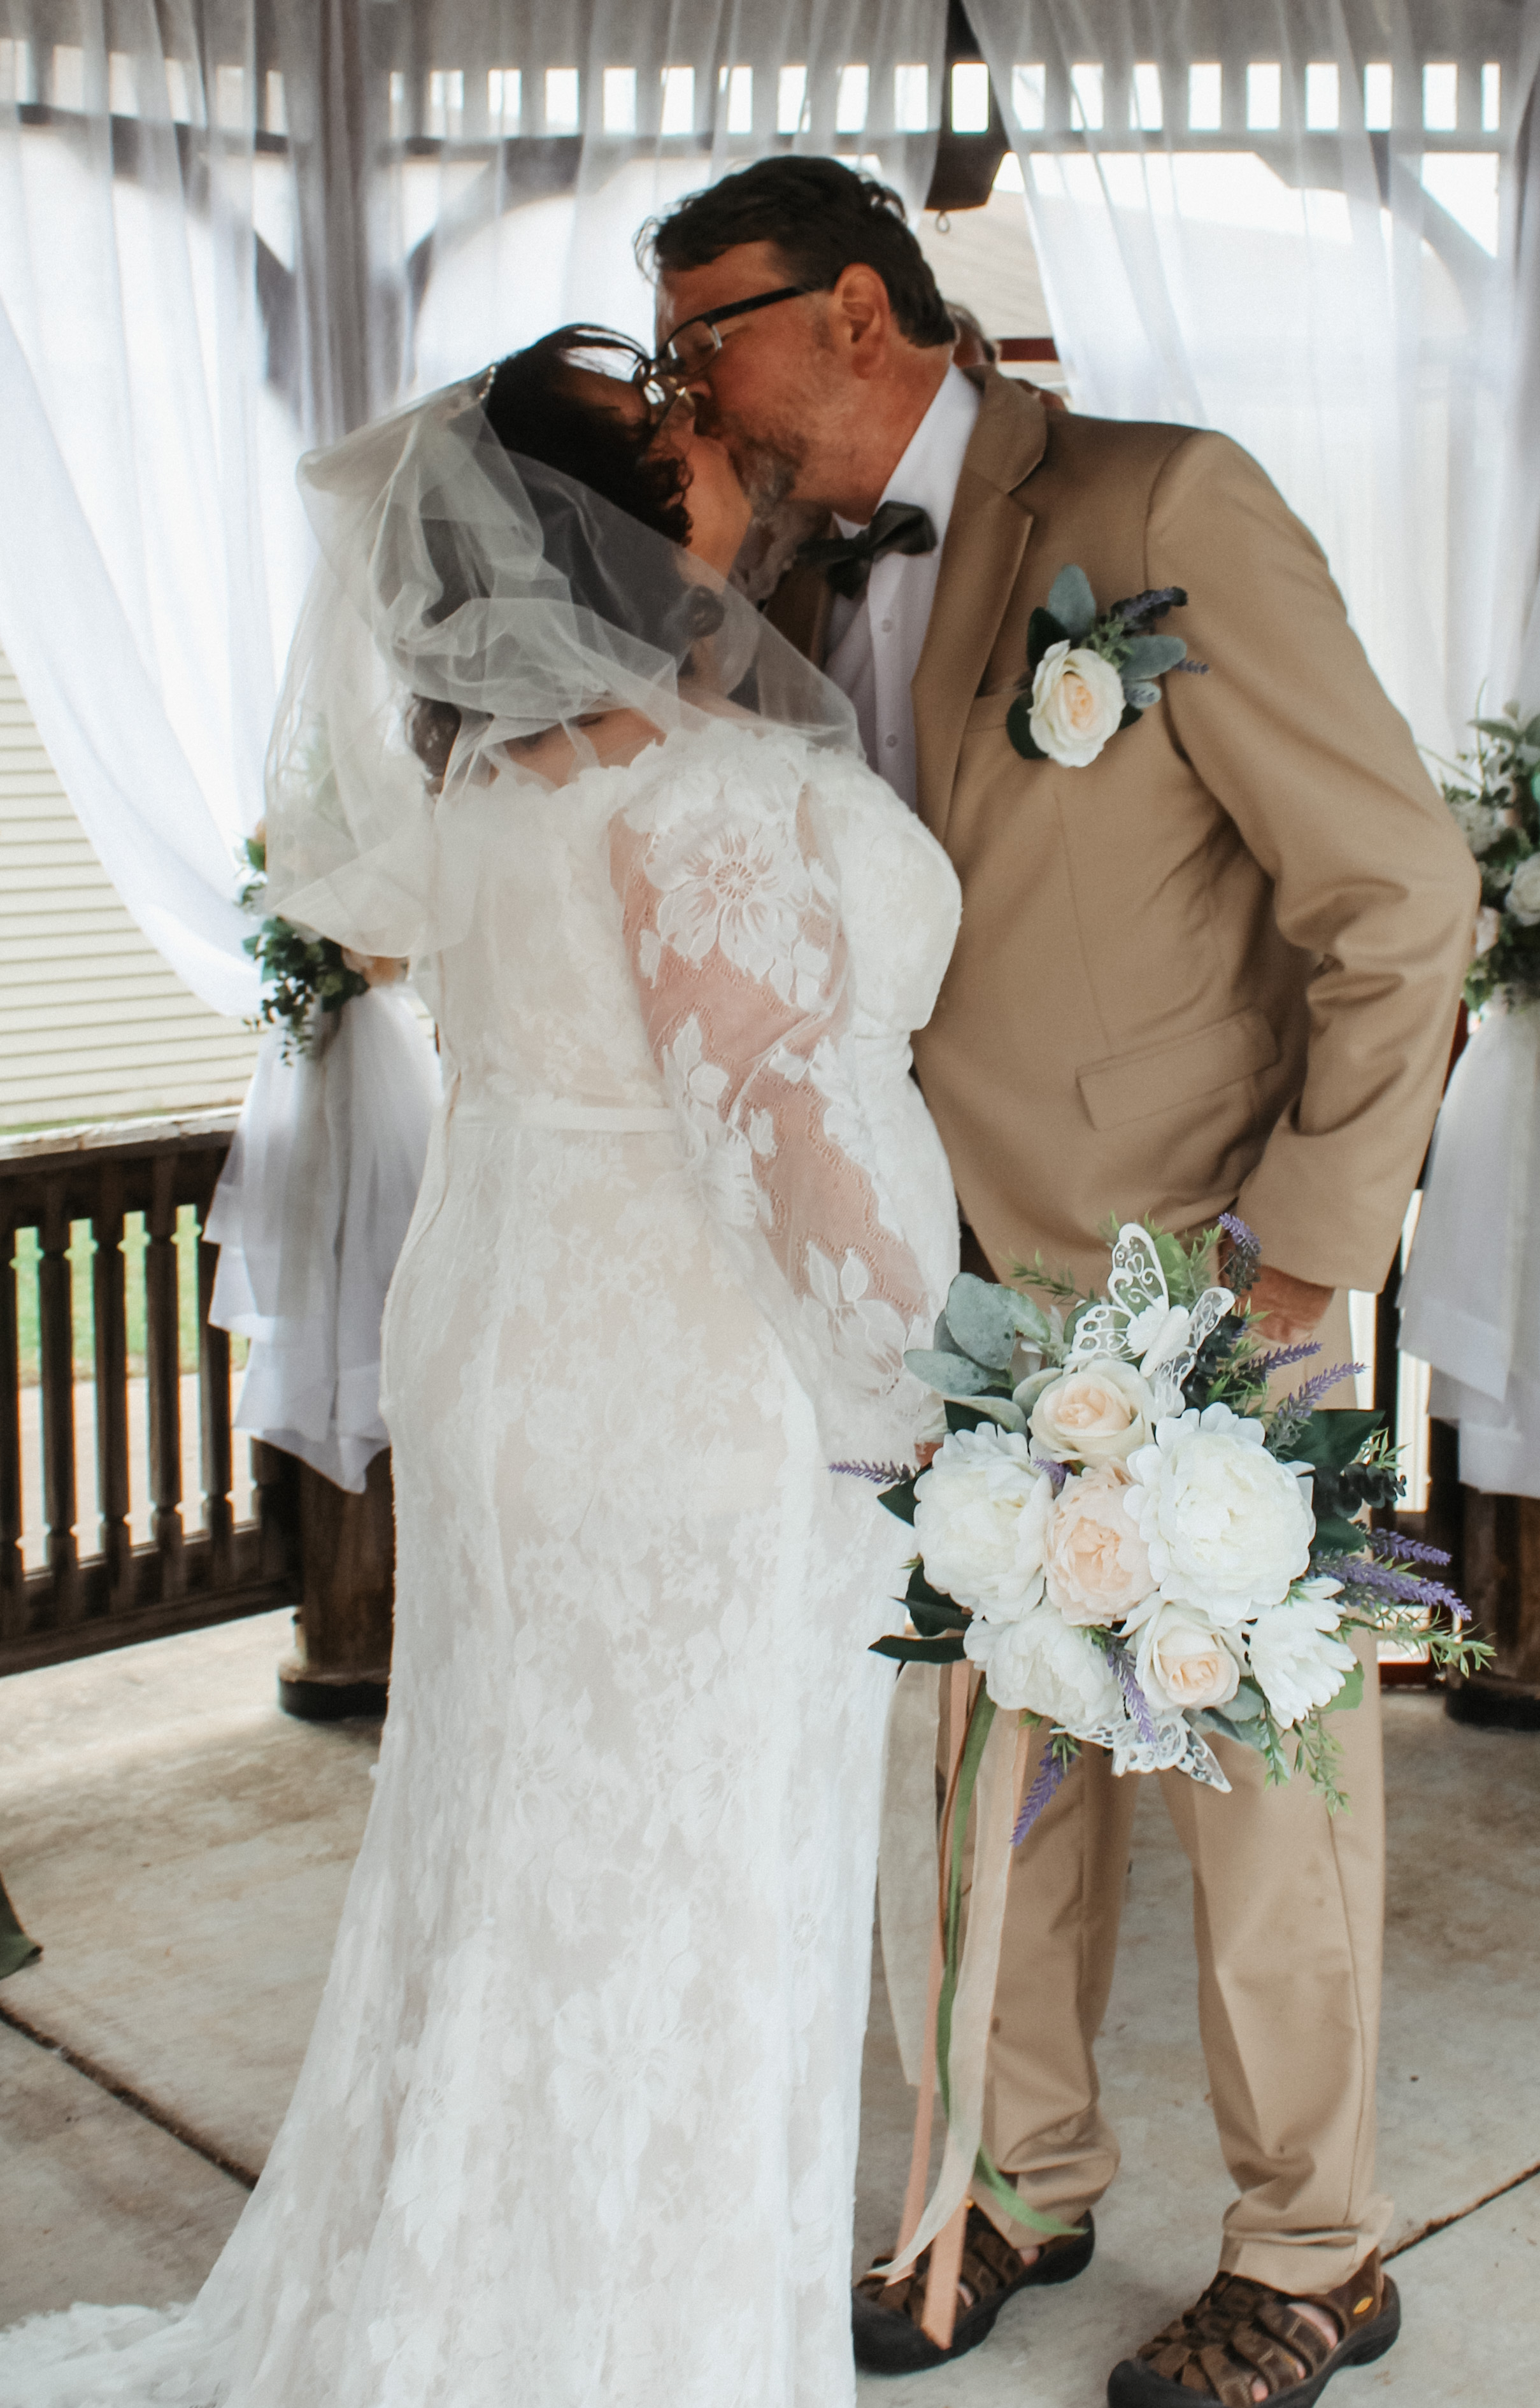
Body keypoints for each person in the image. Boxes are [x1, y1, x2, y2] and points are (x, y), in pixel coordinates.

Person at [0, 329, 961, 2407]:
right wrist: (936, 1403)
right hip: (692, 1392)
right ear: (614, 542)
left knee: (518, 1854)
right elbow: (780, 1145)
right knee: (693, 1887)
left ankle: (454, 2307)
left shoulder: (486, 785)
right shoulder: (704, 796)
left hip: (514, 1343)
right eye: (678, 443)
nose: (715, 453)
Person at [644, 155, 1478, 2408]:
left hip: (1204, 1284)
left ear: (843, 309)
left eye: (701, 327)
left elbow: (1399, 894)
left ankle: (1315, 2250)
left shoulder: (1158, 502)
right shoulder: (774, 587)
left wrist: (1304, 1257)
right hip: (935, 1291)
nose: (677, 377)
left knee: (1256, 1797)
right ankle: (1012, 2179)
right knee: (981, 1773)